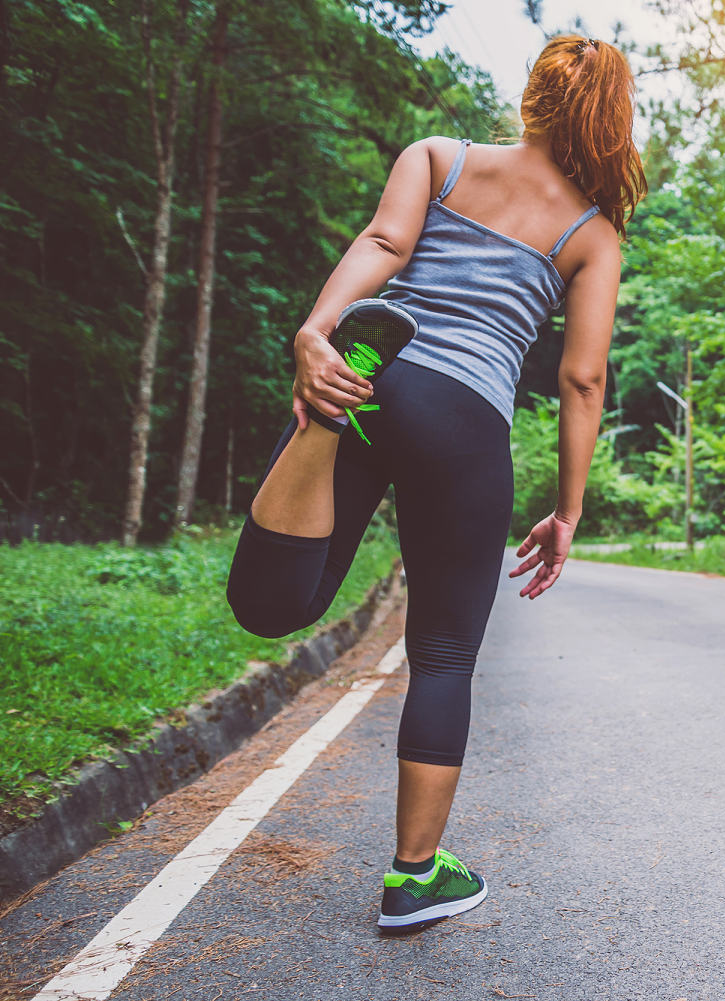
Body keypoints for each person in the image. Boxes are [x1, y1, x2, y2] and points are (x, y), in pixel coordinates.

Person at [225, 34, 645, 930]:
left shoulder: (437, 158)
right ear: (613, 122)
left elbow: (384, 238)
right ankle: (415, 875)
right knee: (445, 652)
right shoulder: (592, 232)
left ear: (531, 97)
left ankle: (331, 404)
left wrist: (314, 333)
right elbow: (582, 379)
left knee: (276, 606)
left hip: (382, 373)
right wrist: (568, 508)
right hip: (467, 421)